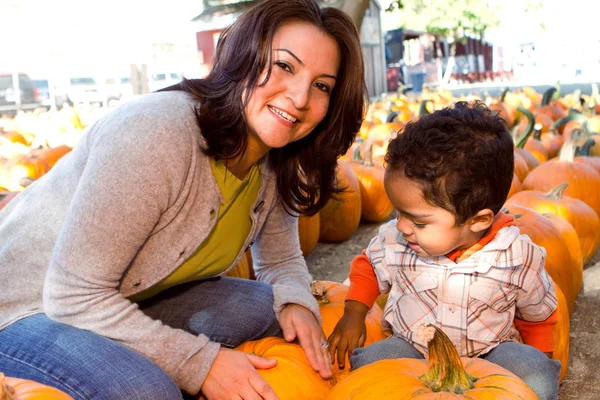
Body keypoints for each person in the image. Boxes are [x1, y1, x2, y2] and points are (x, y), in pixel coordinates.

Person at [0, 0, 367, 399]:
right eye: (284, 66)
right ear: (244, 57)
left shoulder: (273, 157)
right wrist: (197, 361)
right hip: (27, 303)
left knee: (271, 309)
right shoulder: (155, 134)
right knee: (146, 391)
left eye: (322, 85)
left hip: (120, 296)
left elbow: (279, 259)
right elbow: (73, 296)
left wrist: (296, 300)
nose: (299, 97)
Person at [327, 101, 561, 400]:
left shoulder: (517, 256)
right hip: (413, 349)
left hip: (490, 354)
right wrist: (353, 314)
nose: (402, 227)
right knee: (369, 363)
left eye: (419, 221)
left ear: (478, 220)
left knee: (538, 375)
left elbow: (538, 315)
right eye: (398, 213)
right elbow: (369, 267)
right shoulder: (396, 241)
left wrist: (537, 356)